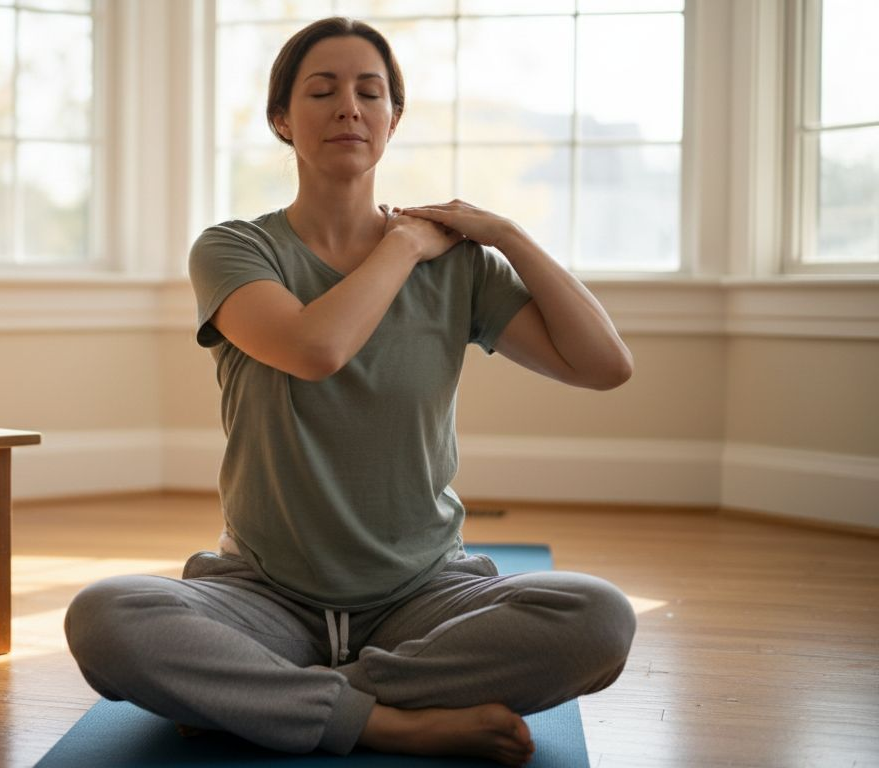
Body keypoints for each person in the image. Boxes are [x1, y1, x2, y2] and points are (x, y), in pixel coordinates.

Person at [64, 16, 636, 767]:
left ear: (393, 119)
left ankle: (269, 700)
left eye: (371, 92)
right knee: (107, 618)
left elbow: (603, 365)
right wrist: (401, 242)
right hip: (263, 596)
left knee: (598, 619)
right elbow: (314, 349)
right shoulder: (236, 249)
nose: (349, 108)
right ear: (281, 119)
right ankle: (390, 721)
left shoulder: (458, 266)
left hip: (423, 597)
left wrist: (507, 236)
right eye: (322, 90)